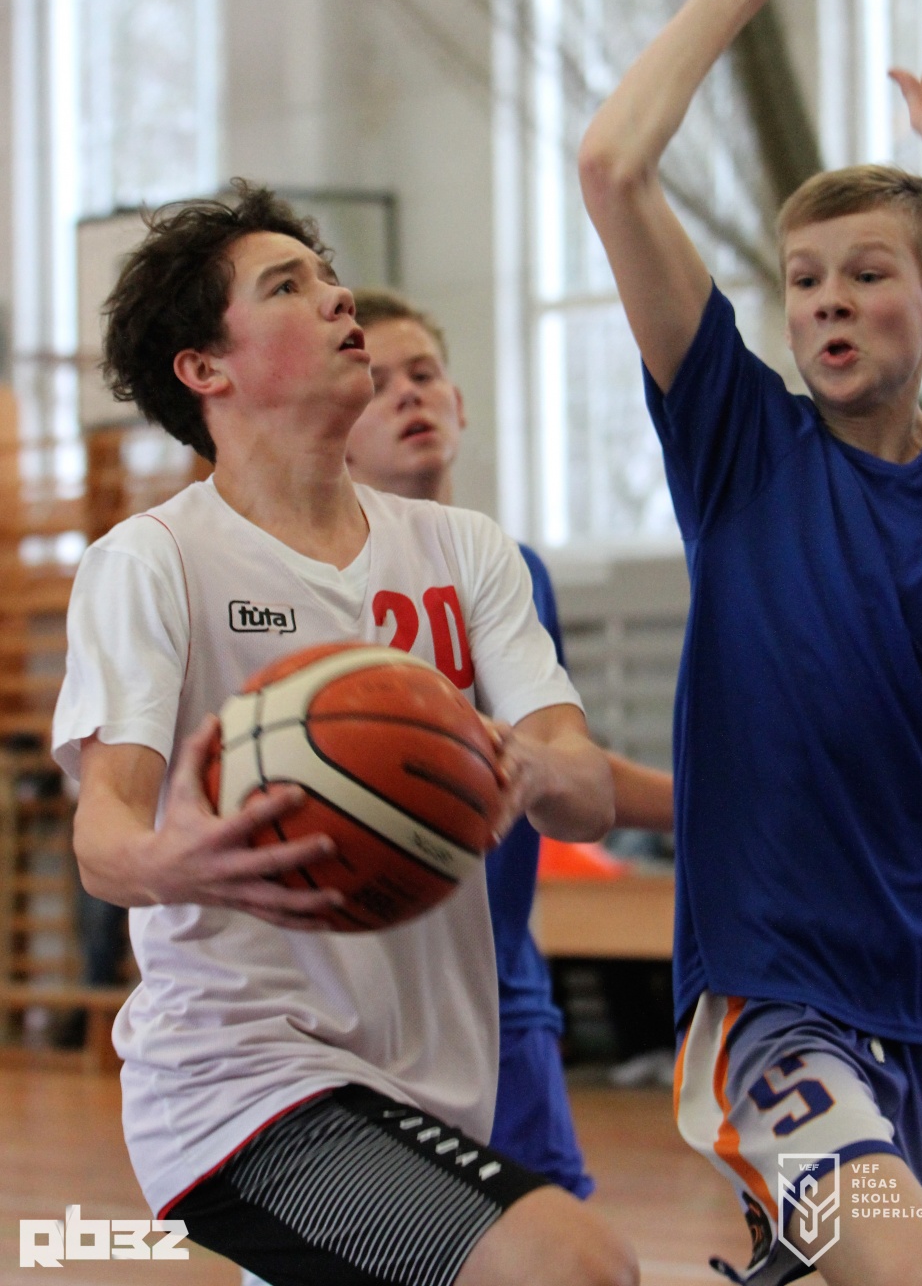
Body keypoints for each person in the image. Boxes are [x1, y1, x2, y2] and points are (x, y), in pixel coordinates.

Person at [51, 185, 639, 1286]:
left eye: (329, 276)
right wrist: (172, 861)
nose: (336, 298)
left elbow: (587, 792)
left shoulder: (465, 550)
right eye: (289, 286)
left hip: (433, 1076)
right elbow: (104, 836)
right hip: (237, 1086)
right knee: (574, 1265)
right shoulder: (151, 562)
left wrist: (517, 764)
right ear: (205, 368)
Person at [578, 0, 922, 1286]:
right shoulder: (741, 445)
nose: (830, 301)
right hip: (782, 995)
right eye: (805, 281)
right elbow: (614, 168)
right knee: (909, 1272)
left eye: (868, 276)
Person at [343, 288, 672, 1193]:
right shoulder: (311, 579)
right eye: (377, 384)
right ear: (338, 428)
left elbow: (559, 764)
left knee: (563, 1239)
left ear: (459, 403)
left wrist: (721, 803)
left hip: (499, 982)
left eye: (424, 374)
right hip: (361, 996)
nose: (409, 394)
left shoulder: (512, 570)